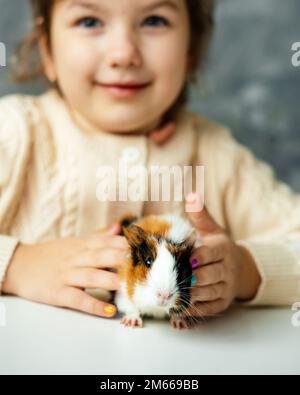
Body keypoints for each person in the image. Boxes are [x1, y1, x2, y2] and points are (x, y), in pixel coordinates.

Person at [1, 0, 299, 321]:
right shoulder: (14, 132)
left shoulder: (216, 154)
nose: (124, 53)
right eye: (89, 22)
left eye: (154, 20)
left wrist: (244, 269)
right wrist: (18, 264)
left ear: (191, 49)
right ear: (48, 50)